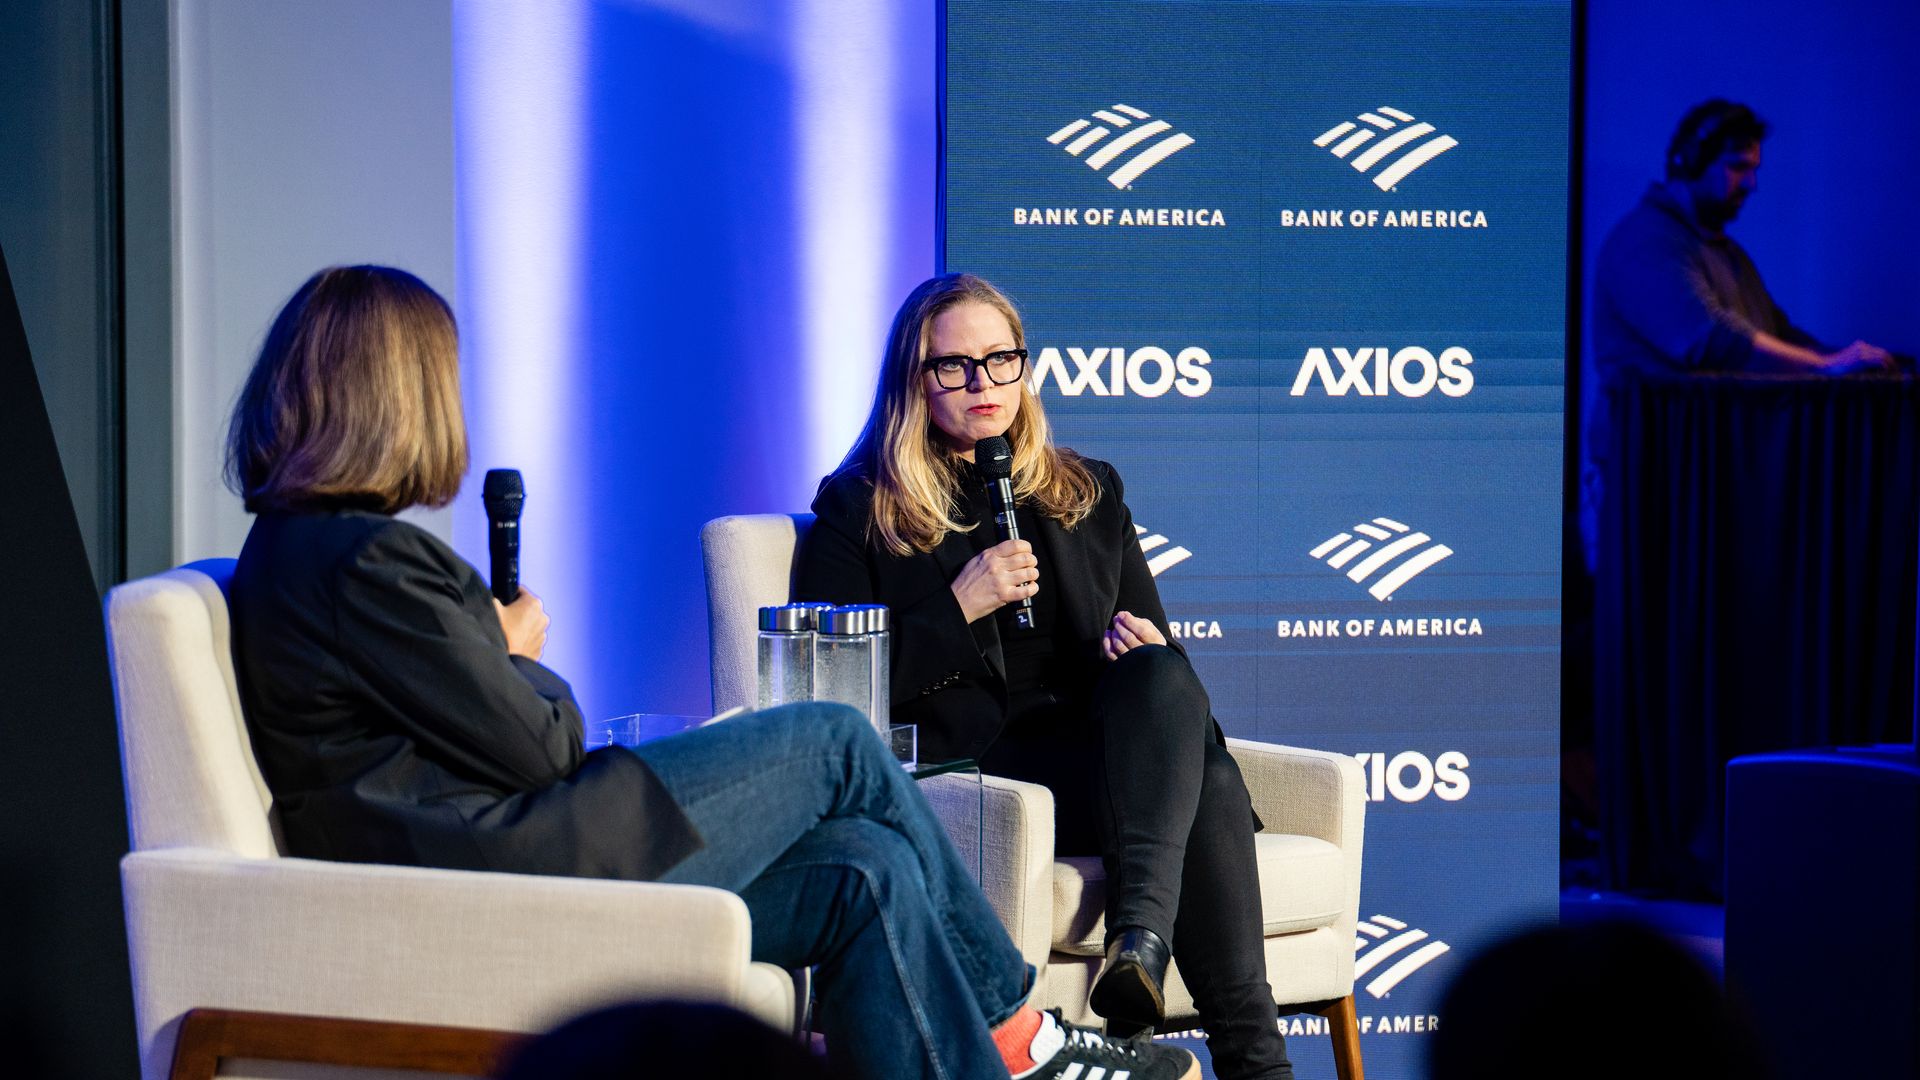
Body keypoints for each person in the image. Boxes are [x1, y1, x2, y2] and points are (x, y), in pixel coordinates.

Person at [223, 265, 1198, 1080]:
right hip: (511, 867)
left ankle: (1008, 1053)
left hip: (505, 851)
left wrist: (488, 652)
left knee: (866, 866)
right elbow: (542, 748)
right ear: (400, 395)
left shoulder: (305, 553)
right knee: (834, 740)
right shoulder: (364, 560)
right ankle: (1023, 1036)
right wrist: (511, 652)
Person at [795, 273, 1292, 1080]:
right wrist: (958, 608)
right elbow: (827, 696)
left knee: (1162, 679)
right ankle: (1243, 1049)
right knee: (1209, 783)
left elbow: (1166, 671)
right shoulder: (863, 509)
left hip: (1106, 768)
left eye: (1001, 360)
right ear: (912, 382)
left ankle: (1142, 940)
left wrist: (1136, 652)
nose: (983, 384)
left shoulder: (1086, 490)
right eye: (953, 366)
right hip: (981, 779)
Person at [1591, 98, 1896, 378]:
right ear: (1692, 162)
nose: (1751, 184)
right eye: (1737, 167)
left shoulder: (1727, 253)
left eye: (1753, 169)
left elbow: (1778, 335)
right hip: (1655, 439)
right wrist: (1825, 366)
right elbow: (1709, 339)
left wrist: (1848, 360)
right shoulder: (1644, 241)